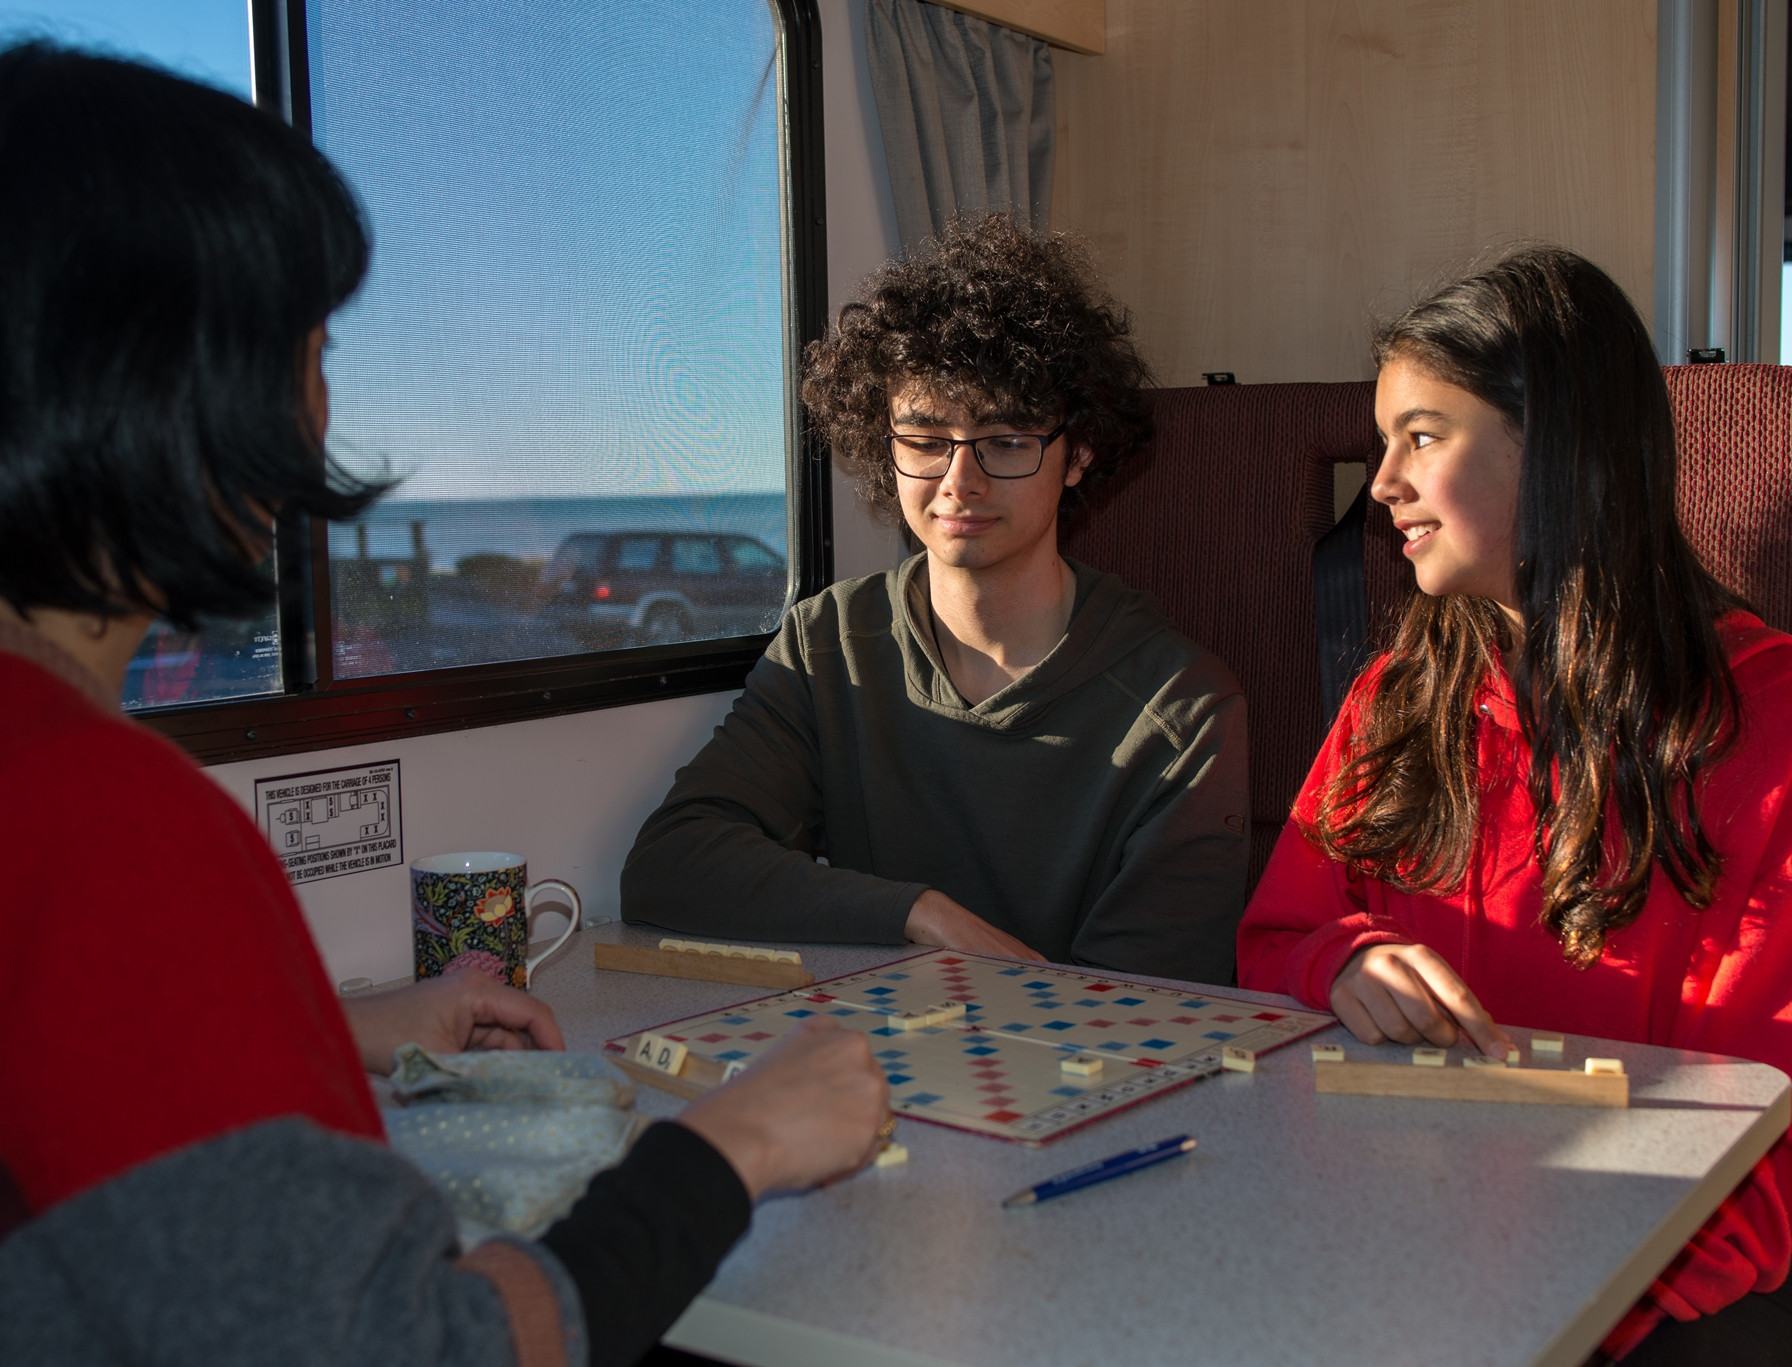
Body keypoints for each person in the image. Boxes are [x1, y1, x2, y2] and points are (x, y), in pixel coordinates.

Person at [0, 42, 889, 1367]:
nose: (320, 404)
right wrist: (728, 1145)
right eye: (307, 343)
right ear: (167, 381)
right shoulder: (100, 812)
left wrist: (333, 1030)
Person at [1237, 246, 1792, 1362]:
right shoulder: (1391, 696)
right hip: (1395, 1231)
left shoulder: (1763, 714)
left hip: (1650, 1276)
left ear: (1554, 446)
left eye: (1421, 436)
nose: (1380, 487)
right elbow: (1272, 941)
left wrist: (1574, 1312)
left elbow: (1777, 1114)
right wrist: (1342, 962)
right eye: (1381, 443)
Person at [621, 215, 1248, 982]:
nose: (959, 481)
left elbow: (1151, 1002)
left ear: (1077, 453)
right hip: (872, 1058)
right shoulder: (831, 645)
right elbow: (670, 865)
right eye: (924, 440)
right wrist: (918, 913)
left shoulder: (1182, 707)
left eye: (1006, 441)